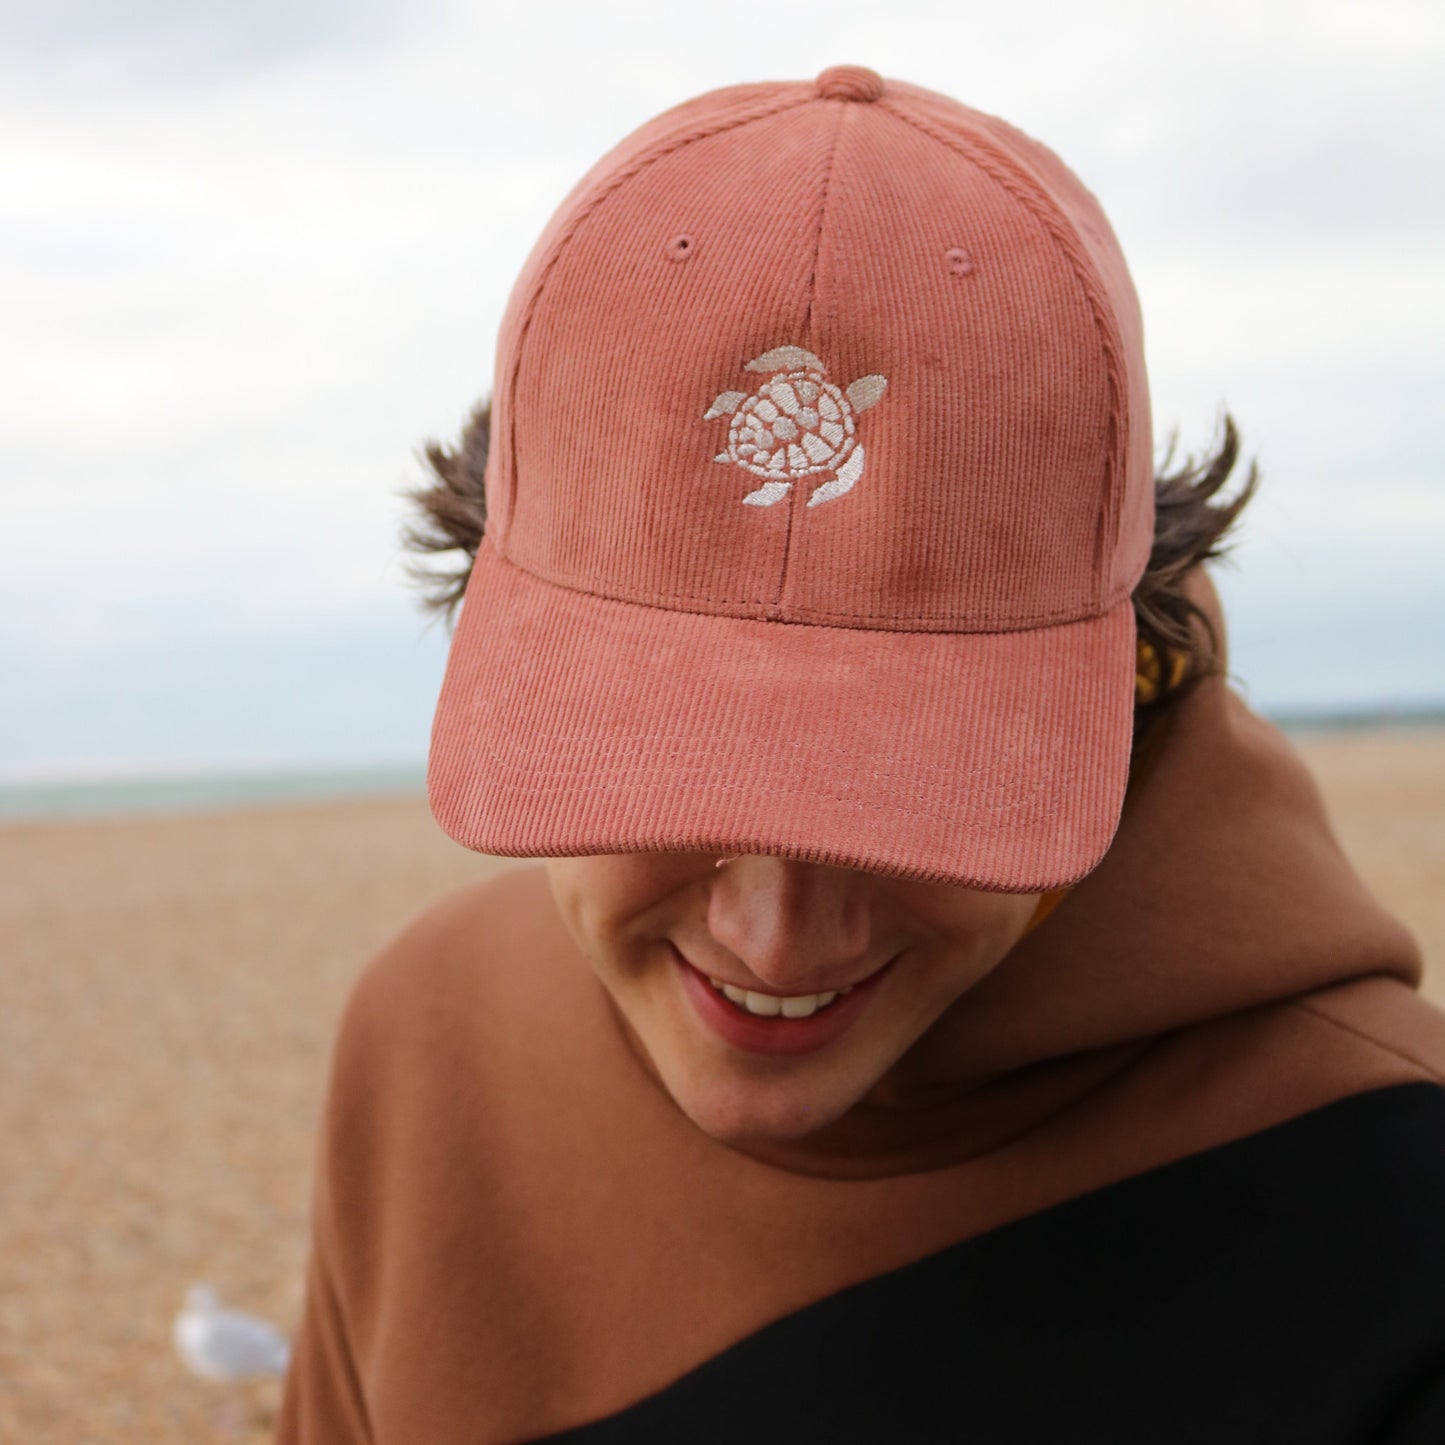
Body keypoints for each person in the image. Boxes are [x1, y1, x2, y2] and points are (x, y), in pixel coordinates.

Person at [275, 66, 1445, 1443]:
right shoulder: (430, 1038)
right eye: (668, 747)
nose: (772, 938)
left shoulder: (1392, 1222)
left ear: (1117, 680)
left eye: (903, 781)